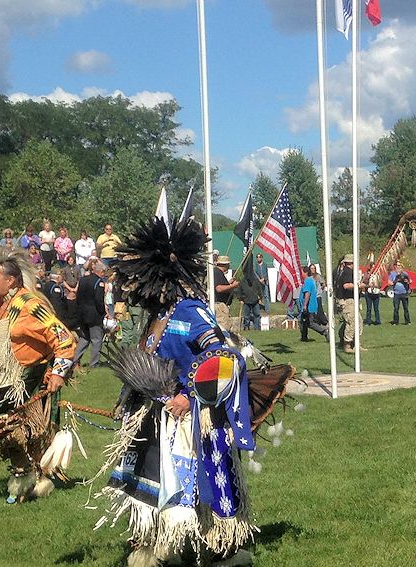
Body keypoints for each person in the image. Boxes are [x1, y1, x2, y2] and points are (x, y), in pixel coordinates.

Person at [94, 215, 257, 565]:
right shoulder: (155, 317)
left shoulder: (190, 312)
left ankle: (218, 548)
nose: (130, 289)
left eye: (135, 281)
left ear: (158, 278)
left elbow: (223, 356)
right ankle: (155, 545)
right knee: (148, 484)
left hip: (192, 420)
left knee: (199, 487)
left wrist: (189, 395)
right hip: (156, 418)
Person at [0, 249, 76, 503]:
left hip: (32, 376)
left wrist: (58, 373)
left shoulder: (30, 305)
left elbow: (63, 337)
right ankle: (24, 476)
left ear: (10, 280)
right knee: (4, 430)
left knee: (28, 432)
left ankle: (37, 478)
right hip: (8, 376)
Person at [73, 260, 106, 368]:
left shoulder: (82, 280)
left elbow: (78, 297)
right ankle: (94, 363)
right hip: (94, 315)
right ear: (100, 271)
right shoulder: (99, 282)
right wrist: (103, 312)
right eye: (103, 272)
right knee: (96, 339)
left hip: (82, 314)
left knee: (85, 337)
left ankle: (74, 359)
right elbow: (98, 300)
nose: (104, 274)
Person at [336, 254, 361, 353]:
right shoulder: (347, 272)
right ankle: (347, 344)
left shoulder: (345, 271)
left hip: (350, 300)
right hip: (347, 300)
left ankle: (356, 344)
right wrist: (358, 285)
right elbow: (346, 285)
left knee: (358, 321)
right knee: (352, 322)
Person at [299, 265, 329, 342]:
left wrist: (305, 305)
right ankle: (304, 338)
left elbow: (307, 294)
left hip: (309, 306)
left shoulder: (308, 281)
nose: (300, 274)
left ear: (305, 272)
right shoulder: (309, 280)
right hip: (308, 306)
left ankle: (324, 331)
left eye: (301, 272)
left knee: (310, 323)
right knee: (303, 321)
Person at [213, 256, 239, 332]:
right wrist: (232, 286)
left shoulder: (218, 273)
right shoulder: (217, 272)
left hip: (221, 305)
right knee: (224, 327)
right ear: (225, 265)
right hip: (220, 306)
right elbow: (219, 288)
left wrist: (229, 283)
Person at [389, 261, 411, 325]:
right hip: (396, 294)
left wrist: (406, 281)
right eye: (397, 265)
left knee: (406, 308)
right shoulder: (392, 274)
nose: (398, 267)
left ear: (401, 267)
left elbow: (410, 281)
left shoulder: (405, 274)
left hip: (404, 293)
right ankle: (396, 322)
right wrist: (395, 281)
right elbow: (389, 282)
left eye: (399, 265)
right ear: (395, 267)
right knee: (396, 308)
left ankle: (407, 322)